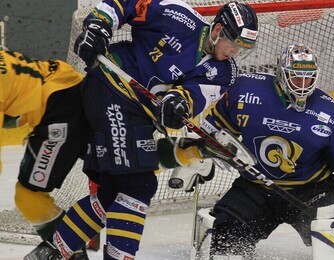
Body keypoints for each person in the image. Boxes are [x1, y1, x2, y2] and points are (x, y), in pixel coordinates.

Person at [155, 44, 334, 259]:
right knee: (224, 248)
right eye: (296, 77)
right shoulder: (244, 92)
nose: (302, 85)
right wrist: (199, 155)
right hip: (255, 189)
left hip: (313, 190)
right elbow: (212, 131)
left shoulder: (331, 113)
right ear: (281, 73)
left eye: (308, 78)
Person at [25, 0, 259, 259]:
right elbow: (127, 4)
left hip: (138, 115)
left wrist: (177, 103)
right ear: (217, 32)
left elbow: (193, 97)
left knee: (114, 191)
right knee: (140, 183)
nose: (236, 53)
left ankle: (52, 252)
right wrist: (98, 26)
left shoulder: (224, 71)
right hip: (110, 86)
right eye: (234, 45)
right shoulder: (177, 15)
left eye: (243, 49)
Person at [0, 50, 91, 259]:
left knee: (29, 197)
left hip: (58, 109)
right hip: (67, 88)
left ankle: (70, 252)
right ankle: (182, 151)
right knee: (122, 162)